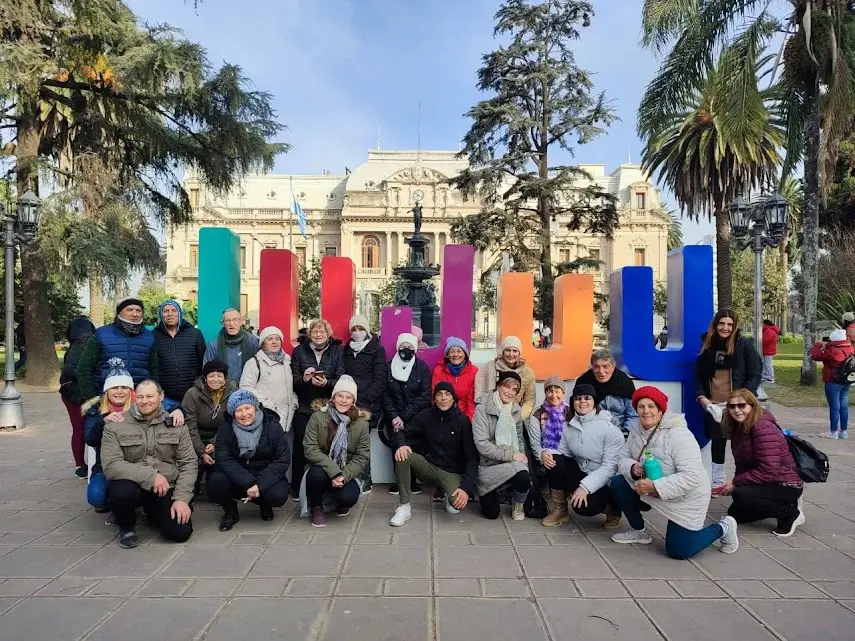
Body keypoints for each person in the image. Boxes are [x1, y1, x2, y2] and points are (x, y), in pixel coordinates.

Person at [609, 387, 739, 559]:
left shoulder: (679, 435)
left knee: (679, 551)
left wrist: (655, 486)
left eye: (651, 406)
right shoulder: (636, 429)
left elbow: (691, 477)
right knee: (618, 483)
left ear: (660, 409)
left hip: (687, 496)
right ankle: (639, 531)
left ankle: (724, 527)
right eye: (641, 407)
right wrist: (633, 467)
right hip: (652, 487)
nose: (646, 411)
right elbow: (622, 457)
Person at [101, 380, 196, 548]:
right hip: (133, 484)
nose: (145, 401)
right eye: (140, 396)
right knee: (122, 492)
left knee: (179, 533)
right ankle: (126, 525)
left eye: (150, 396)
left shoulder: (176, 424)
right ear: (134, 397)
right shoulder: (116, 425)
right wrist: (151, 476)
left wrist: (182, 499)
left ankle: (153, 513)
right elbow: (111, 465)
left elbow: (188, 463)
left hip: (166, 486)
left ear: (161, 396)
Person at [390, 382, 479, 526]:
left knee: (455, 506)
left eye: (447, 394)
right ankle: (404, 506)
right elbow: (402, 431)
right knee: (403, 455)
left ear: (453, 398)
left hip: (451, 473)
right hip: (429, 467)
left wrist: (465, 488)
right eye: (439, 394)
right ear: (434, 399)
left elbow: (473, 459)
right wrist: (402, 445)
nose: (443, 398)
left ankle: (447, 493)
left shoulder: (462, 421)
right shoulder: (427, 415)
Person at [720, 389, 805, 537]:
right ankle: (781, 505)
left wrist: (736, 482)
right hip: (766, 481)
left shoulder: (762, 427)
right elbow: (744, 465)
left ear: (752, 406)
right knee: (734, 513)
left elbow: (769, 471)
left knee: (742, 495)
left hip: (785, 483)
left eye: (741, 405)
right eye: (732, 406)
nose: (736, 410)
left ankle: (790, 513)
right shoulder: (739, 427)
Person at [538, 383, 624, 528]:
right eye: (578, 398)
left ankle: (613, 509)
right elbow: (563, 454)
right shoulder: (569, 426)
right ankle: (561, 509)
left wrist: (585, 487)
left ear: (594, 402)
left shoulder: (610, 430)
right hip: (581, 472)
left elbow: (610, 468)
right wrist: (544, 453)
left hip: (605, 482)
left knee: (583, 507)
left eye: (587, 398)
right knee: (554, 460)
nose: (582, 401)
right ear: (572, 402)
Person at [696, 309, 762, 493]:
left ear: (735, 327)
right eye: (722, 323)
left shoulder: (743, 345)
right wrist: (703, 398)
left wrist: (745, 397)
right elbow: (699, 376)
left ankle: (747, 481)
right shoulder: (706, 344)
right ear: (715, 324)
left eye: (729, 324)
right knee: (717, 442)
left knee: (744, 444)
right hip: (714, 406)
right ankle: (717, 481)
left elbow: (756, 371)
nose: (725, 328)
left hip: (738, 406)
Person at [209, 389, 291, 531]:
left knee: (278, 495)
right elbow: (224, 459)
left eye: (247, 408)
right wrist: (249, 482)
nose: (244, 414)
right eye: (238, 410)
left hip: (264, 473)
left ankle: (264, 503)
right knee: (216, 482)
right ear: (232, 413)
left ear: (255, 407)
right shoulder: (225, 429)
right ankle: (230, 512)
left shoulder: (272, 426)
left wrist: (259, 484)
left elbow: (282, 459)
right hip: (238, 475)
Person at [302, 375, 371, 527]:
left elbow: (362, 456)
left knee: (349, 497)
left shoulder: (361, 424)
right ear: (333, 397)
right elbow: (310, 448)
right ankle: (317, 507)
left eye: (348, 397)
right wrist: (334, 471)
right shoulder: (318, 417)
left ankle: (340, 503)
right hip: (322, 468)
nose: (343, 400)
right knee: (316, 474)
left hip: (346, 471)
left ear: (353, 401)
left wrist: (343, 476)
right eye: (340, 395)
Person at [290, 318, 346, 499]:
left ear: (328, 333)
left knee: (327, 447)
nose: (318, 334)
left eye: (322, 331)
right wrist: (305, 379)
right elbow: (292, 380)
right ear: (309, 335)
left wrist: (326, 383)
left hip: (328, 408)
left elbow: (341, 379)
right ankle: (296, 487)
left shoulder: (337, 351)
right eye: (315, 332)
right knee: (300, 447)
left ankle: (326, 486)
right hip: (304, 407)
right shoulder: (299, 351)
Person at [76, 297, 158, 404]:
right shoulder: (101, 334)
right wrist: (92, 399)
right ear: (119, 312)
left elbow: (154, 370)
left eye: (138, 311)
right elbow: (84, 368)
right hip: (106, 400)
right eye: (129, 310)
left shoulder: (149, 336)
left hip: (139, 401)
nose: (135, 314)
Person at [472, 370, 530, 520]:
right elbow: (482, 443)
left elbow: (518, 439)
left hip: (509, 462)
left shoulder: (515, 410)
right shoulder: (482, 408)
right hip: (487, 465)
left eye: (514, 389)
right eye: (507, 386)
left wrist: (522, 459)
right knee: (491, 514)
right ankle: (495, 490)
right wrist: (512, 455)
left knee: (524, 474)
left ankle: (518, 505)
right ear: (498, 386)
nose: (510, 392)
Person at [343, 314, 388, 493]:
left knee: (361, 444)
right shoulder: (346, 350)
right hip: (347, 404)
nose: (357, 332)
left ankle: (365, 478)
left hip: (367, 406)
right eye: (354, 329)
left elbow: (380, 379)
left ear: (367, 330)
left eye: (360, 328)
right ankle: (349, 477)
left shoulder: (377, 350)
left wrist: (364, 399)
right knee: (346, 443)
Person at [82, 358, 135, 510]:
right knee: (96, 497)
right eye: (115, 387)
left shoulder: (140, 406)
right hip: (105, 466)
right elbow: (90, 439)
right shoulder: (96, 409)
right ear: (107, 391)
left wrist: (177, 410)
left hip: (136, 463)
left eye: (124, 387)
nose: (119, 391)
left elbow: (165, 401)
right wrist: (103, 421)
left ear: (130, 391)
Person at [383, 332, 431, 495]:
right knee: (396, 446)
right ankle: (399, 481)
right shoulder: (388, 367)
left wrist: (404, 416)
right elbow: (386, 395)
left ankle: (412, 481)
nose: (406, 350)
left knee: (415, 448)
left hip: (415, 417)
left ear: (415, 349)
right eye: (403, 347)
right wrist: (394, 416)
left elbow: (425, 395)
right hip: (394, 416)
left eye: (410, 347)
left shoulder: (422, 368)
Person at [182, 359, 235, 491]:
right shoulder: (192, 394)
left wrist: (214, 443)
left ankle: (216, 491)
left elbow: (230, 423)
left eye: (219, 376)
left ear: (225, 378)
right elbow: (189, 425)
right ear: (205, 378)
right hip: (195, 437)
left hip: (220, 436)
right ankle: (192, 489)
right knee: (196, 463)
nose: (215, 379)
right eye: (211, 376)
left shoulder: (233, 394)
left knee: (220, 461)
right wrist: (201, 451)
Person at [239, 326, 297, 433]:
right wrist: (266, 403)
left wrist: (294, 401)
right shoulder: (254, 363)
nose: (274, 342)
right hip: (266, 416)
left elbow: (291, 385)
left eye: (277, 339)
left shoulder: (287, 361)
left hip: (288, 418)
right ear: (263, 343)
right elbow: (245, 387)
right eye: (270, 339)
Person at [59, 316, 96, 478]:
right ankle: (81, 465)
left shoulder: (74, 347)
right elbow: (72, 371)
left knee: (80, 429)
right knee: (82, 429)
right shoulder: (84, 347)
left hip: (71, 393)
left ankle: (81, 465)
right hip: (75, 394)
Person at [153, 299, 206, 405]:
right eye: (166, 311)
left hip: (192, 393)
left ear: (180, 313)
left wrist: (199, 386)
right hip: (165, 396)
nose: (170, 314)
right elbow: (153, 366)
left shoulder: (194, 334)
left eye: (173, 310)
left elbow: (203, 362)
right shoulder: (154, 335)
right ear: (161, 315)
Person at [575, 350, 638, 433]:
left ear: (613, 366)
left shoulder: (625, 383)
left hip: (622, 432)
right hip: (592, 432)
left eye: (605, 366)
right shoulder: (584, 382)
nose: (601, 371)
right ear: (592, 367)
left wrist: (625, 434)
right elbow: (578, 413)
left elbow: (633, 415)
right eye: (596, 367)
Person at [475, 336, 537, 420]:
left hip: (514, 416)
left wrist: (518, 417)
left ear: (519, 353)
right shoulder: (489, 368)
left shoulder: (527, 373)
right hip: (489, 415)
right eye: (508, 350)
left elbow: (529, 401)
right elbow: (480, 395)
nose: (511, 354)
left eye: (515, 351)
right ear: (503, 352)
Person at [810, 328, 854, 439]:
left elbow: (815, 356)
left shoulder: (832, 351)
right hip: (846, 380)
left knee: (834, 407)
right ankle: (843, 431)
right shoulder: (850, 348)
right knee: (843, 406)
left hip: (832, 381)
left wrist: (818, 345)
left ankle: (833, 432)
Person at [203, 308, 260, 383]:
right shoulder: (214, 345)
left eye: (235, 319)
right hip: (221, 389)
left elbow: (259, 367)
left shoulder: (252, 341)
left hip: (247, 387)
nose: (231, 324)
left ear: (241, 321)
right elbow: (207, 370)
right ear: (222, 323)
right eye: (227, 320)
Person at [432, 337, 478, 421]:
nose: (455, 355)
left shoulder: (473, 371)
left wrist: (467, 422)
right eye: (452, 351)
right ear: (447, 355)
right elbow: (435, 397)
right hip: (443, 414)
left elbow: (471, 402)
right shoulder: (438, 371)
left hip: (464, 415)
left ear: (465, 354)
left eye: (459, 351)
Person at [761, 319, 781, 384]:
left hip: (768, 350)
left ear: (765, 324)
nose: (762, 326)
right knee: (765, 363)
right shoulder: (770, 330)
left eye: (763, 324)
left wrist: (759, 342)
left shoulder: (768, 331)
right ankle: (766, 376)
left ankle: (770, 377)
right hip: (768, 350)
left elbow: (765, 341)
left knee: (768, 363)